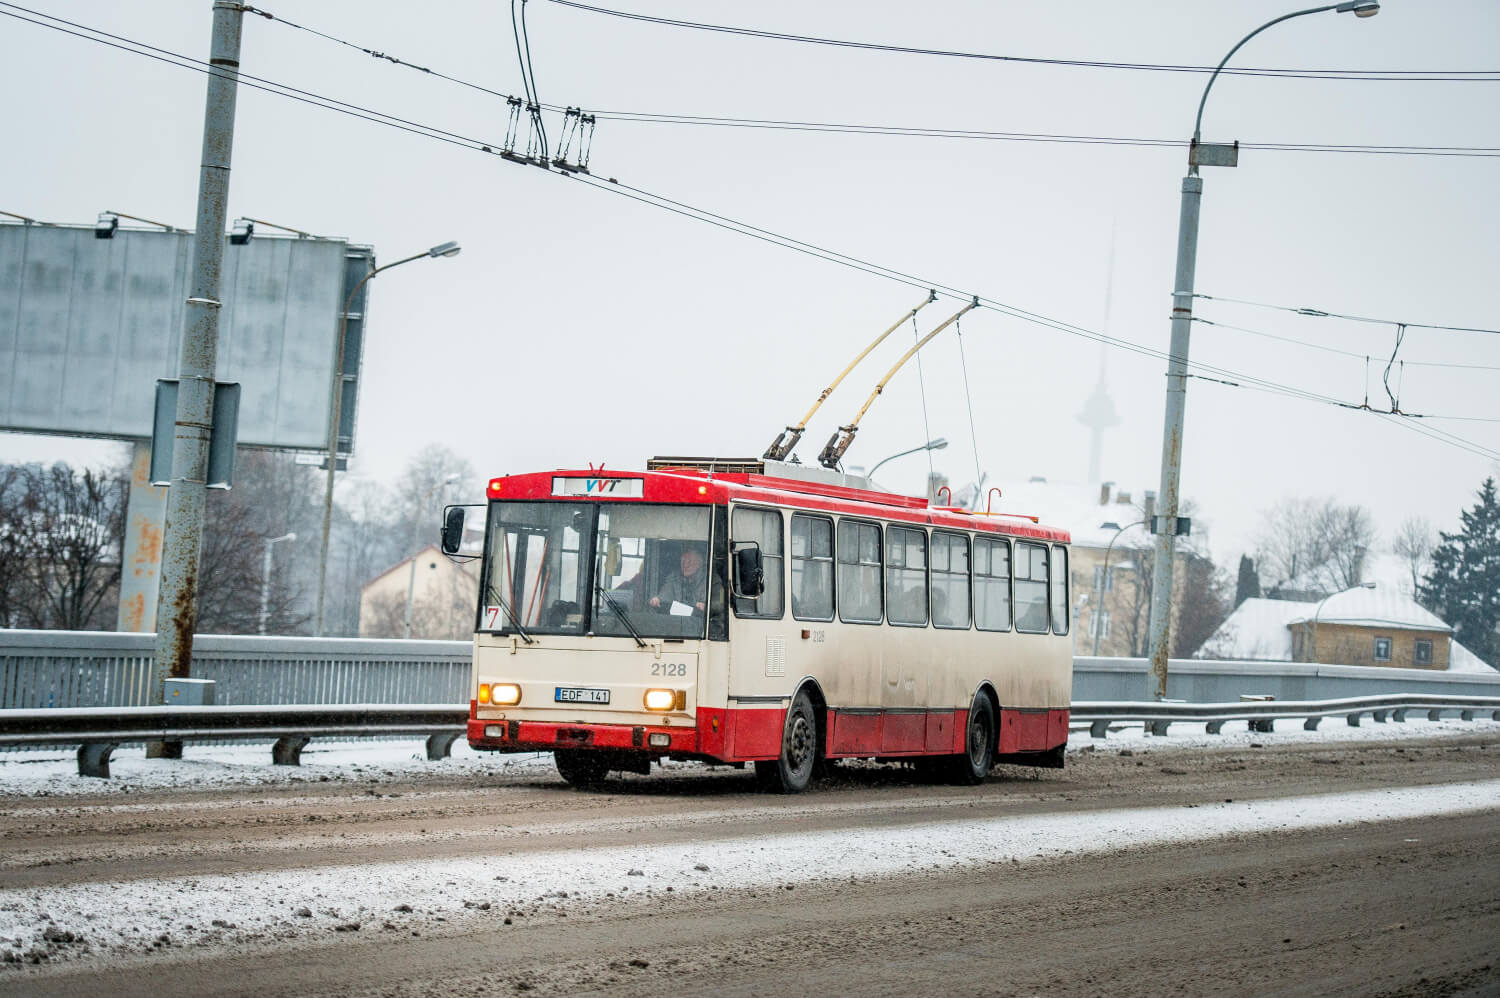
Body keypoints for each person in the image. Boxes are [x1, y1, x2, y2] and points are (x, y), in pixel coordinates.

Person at [650, 546, 707, 614]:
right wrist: (658, 599)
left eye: (689, 562)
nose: (685, 565)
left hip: (699, 622)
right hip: (676, 621)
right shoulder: (674, 577)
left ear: (699, 564)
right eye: (683, 562)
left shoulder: (710, 580)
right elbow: (666, 593)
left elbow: (717, 605)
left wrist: (706, 606)